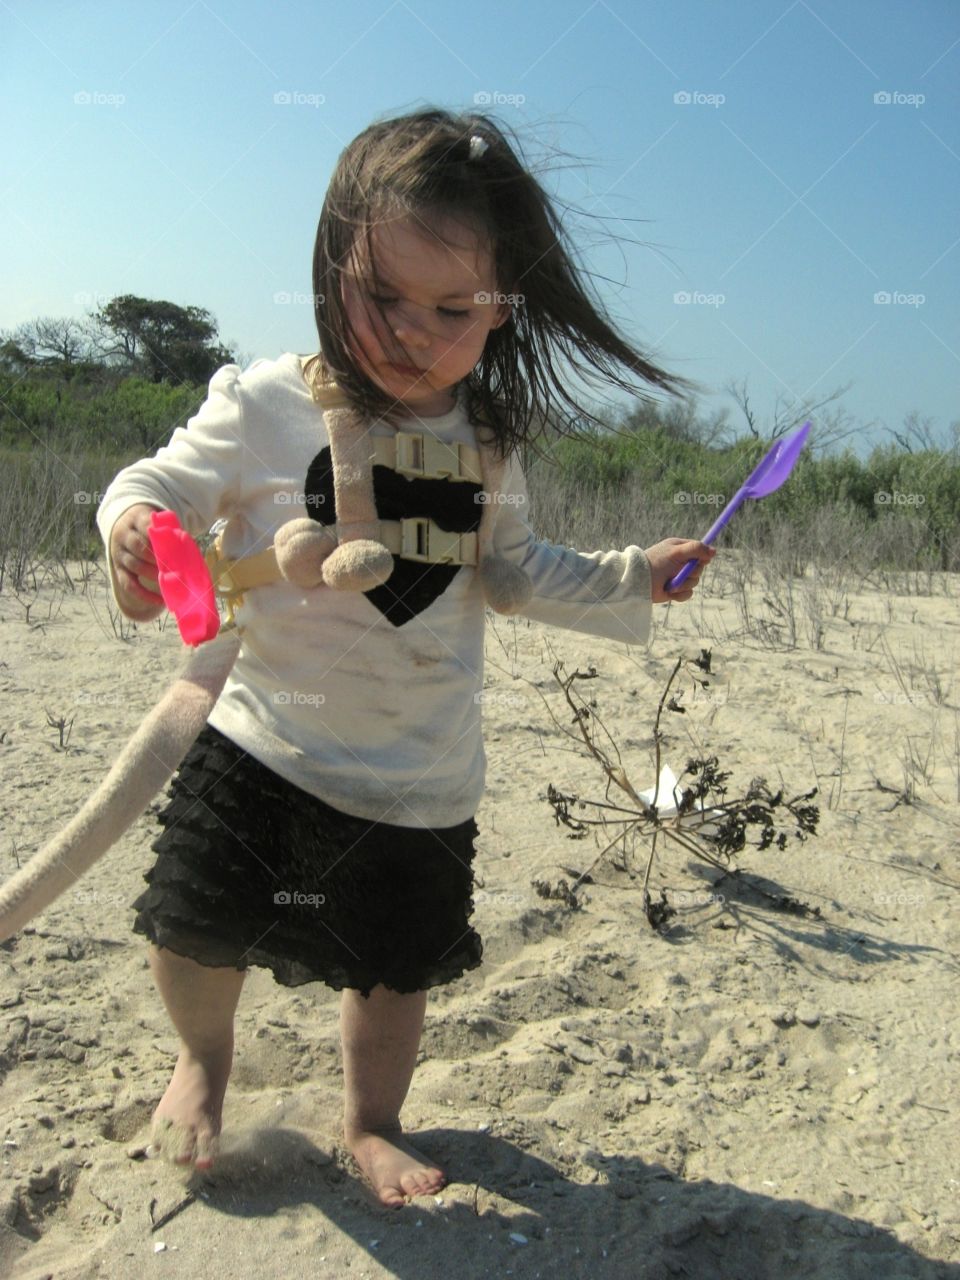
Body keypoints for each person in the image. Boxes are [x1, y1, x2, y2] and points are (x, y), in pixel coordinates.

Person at [97, 107, 715, 1209]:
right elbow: (155, 484)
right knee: (195, 923)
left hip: (420, 773)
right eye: (382, 293)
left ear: (500, 313)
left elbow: (518, 573)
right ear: (332, 260)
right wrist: (137, 534)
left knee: (394, 974)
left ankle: (373, 1118)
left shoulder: (485, 442)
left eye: (451, 307)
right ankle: (204, 1056)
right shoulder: (266, 402)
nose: (410, 331)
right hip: (263, 738)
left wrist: (633, 573)